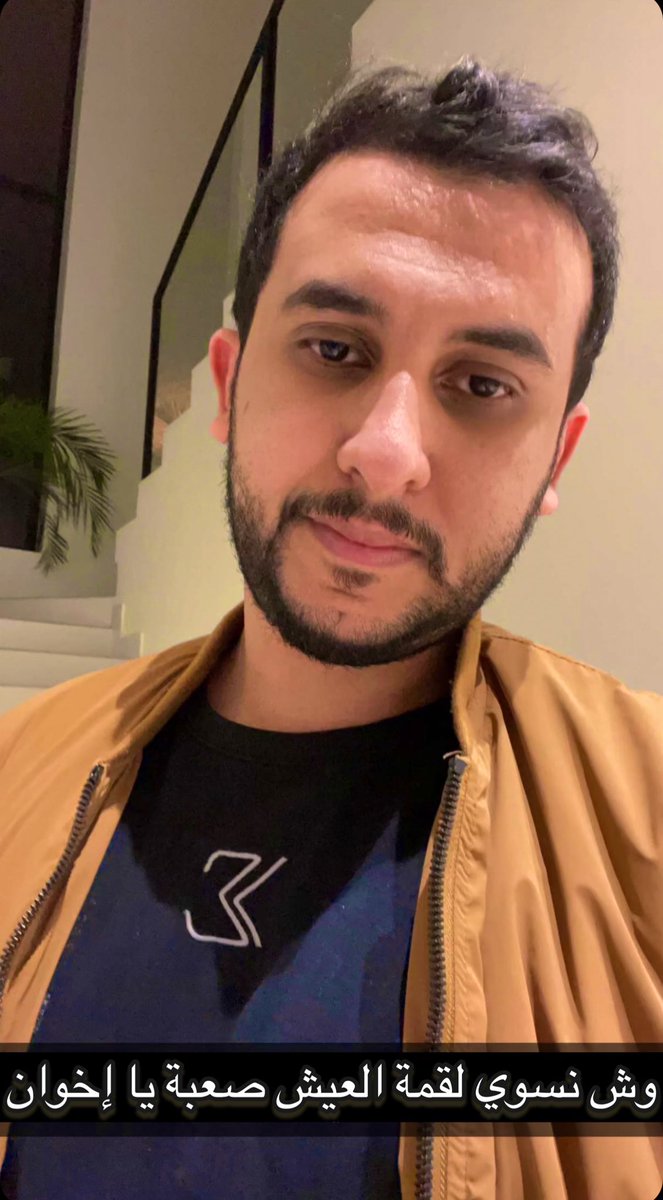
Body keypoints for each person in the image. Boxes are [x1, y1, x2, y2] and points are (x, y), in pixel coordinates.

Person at [0, 56, 661, 1200]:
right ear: (227, 380)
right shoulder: (21, 769)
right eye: (336, 350)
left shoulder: (640, 822)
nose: (387, 453)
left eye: (482, 385)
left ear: (556, 455)